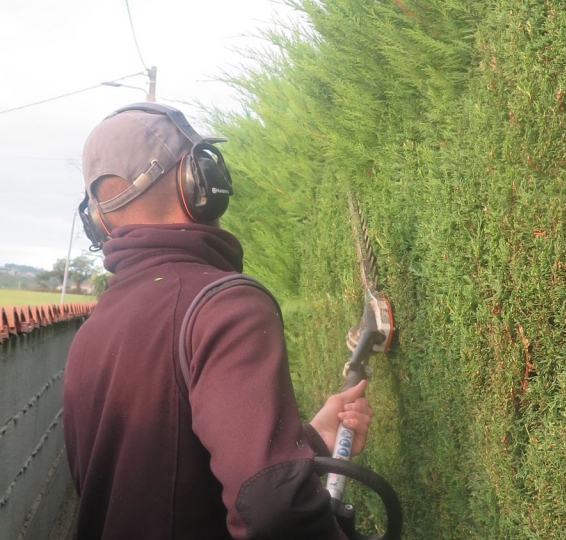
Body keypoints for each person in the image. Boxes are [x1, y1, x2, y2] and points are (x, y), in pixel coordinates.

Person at [62, 102, 372, 539]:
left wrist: (315, 438)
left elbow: (159, 483)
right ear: (199, 183)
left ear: (98, 221)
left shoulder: (91, 334)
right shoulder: (224, 306)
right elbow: (273, 510)